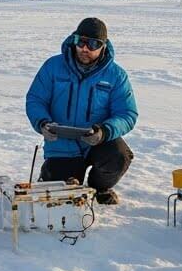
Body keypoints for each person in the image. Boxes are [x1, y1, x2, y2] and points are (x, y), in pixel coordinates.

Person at [25, 17, 137, 205]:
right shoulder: (53, 66)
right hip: (62, 143)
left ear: (103, 46)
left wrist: (104, 131)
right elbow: (36, 99)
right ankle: (51, 176)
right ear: (74, 40)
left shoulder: (116, 75)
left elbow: (127, 114)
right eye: (81, 41)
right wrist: (42, 123)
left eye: (93, 44)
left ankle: (99, 188)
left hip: (97, 141)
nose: (85, 48)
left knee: (119, 156)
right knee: (61, 195)